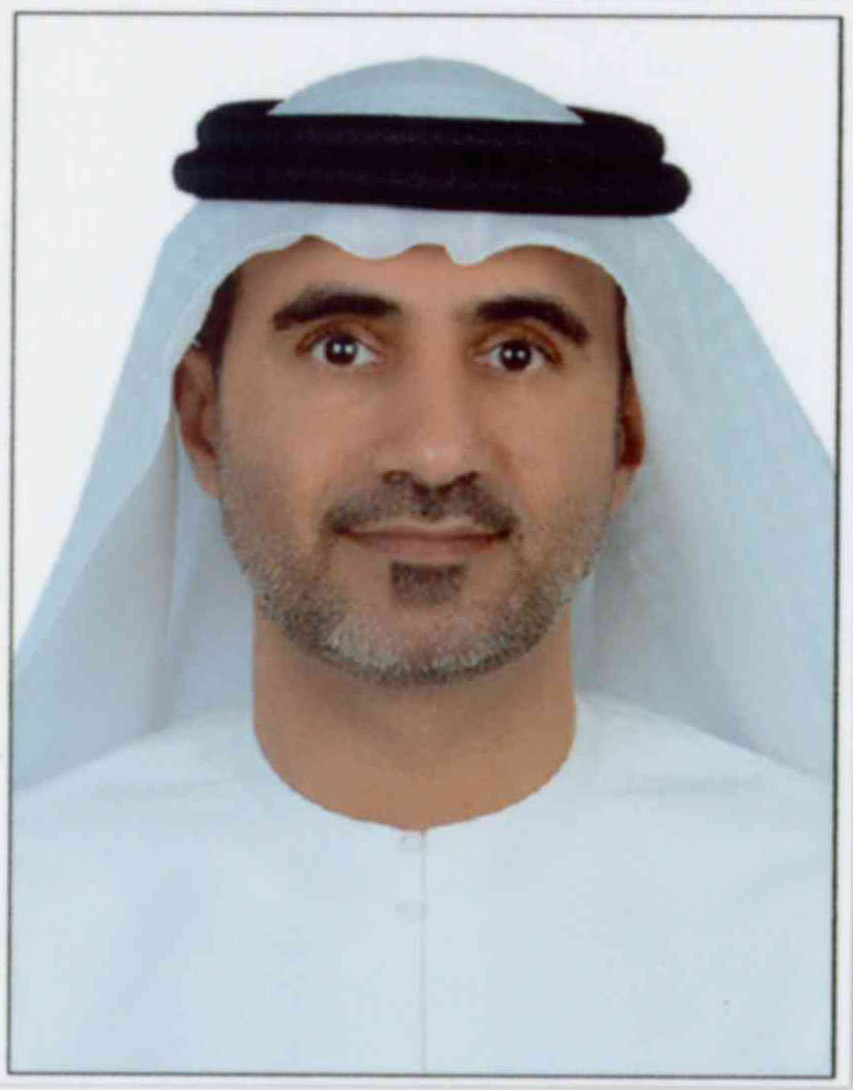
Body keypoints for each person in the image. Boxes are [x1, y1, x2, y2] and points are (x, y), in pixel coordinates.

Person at [11, 58, 833, 1076]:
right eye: (341, 348)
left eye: (517, 353)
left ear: (626, 434)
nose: (437, 452)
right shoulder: (33, 927)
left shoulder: (815, 929)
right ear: (203, 421)